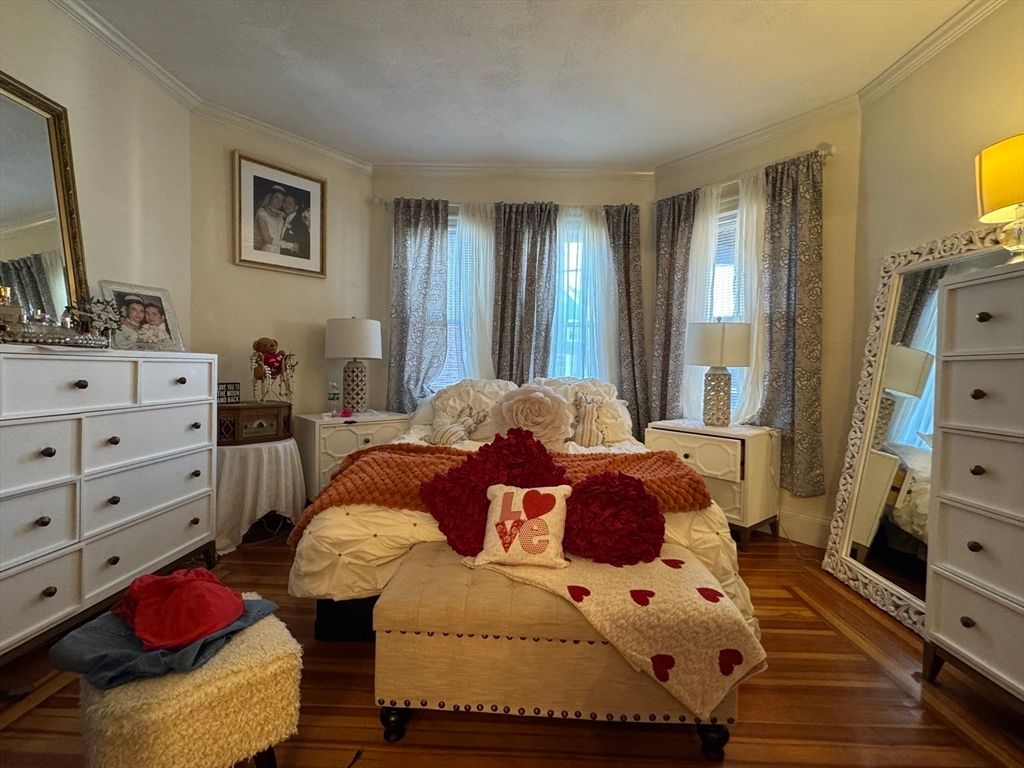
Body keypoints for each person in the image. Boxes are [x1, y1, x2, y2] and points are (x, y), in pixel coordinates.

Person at [253, 185, 286, 252]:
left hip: (281, 250)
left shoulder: (281, 216)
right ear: (270, 197)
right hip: (269, 249)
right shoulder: (262, 212)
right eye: (276, 197)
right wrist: (289, 245)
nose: (279, 201)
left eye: (282, 200)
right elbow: (267, 238)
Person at [279, 194, 310, 260]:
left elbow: (305, 245)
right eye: (285, 202)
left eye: (290, 203)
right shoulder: (283, 218)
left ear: (296, 207)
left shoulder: (300, 223)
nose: (286, 205)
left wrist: (294, 246)